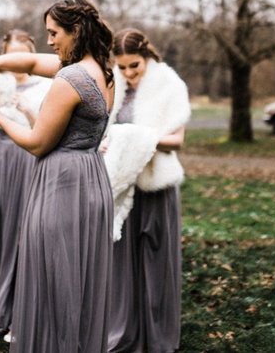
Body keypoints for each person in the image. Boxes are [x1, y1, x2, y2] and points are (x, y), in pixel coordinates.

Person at [0, 0, 115, 352]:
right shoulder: (102, 70)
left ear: (75, 30)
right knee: (78, 281)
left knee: (51, 279)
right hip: (92, 180)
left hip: (61, 184)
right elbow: (33, 61)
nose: (49, 40)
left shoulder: (70, 78)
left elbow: (37, 143)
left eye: (54, 33)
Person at [104, 28, 189, 353]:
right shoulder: (115, 84)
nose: (128, 73)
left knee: (156, 263)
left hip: (156, 185)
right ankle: (124, 333)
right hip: (123, 184)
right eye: (122, 66)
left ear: (147, 56)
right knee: (122, 263)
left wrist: (132, 137)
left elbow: (176, 140)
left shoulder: (169, 85)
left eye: (134, 66)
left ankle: (158, 338)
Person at [0, 29, 51, 337]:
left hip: (30, 162)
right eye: (11, 56)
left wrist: (26, 109)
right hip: (2, 163)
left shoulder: (46, 86)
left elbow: (46, 131)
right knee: (2, 231)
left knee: (26, 235)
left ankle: (23, 311)